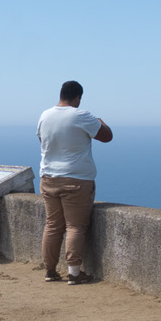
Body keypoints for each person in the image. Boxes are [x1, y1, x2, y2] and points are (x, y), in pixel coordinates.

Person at [37, 80, 112, 285]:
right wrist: (100, 121)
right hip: (76, 179)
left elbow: (42, 142)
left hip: (48, 178)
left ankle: (50, 271)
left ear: (61, 95)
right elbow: (107, 136)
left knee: (52, 225)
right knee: (75, 226)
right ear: (78, 97)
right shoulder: (82, 115)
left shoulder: (45, 115)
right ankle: (74, 273)